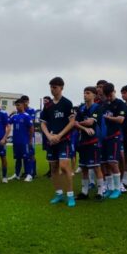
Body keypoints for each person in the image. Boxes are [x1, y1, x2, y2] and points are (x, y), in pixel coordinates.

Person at [40, 76, 76, 207]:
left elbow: (72, 122)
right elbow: (43, 123)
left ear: (61, 88)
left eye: (54, 87)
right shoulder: (48, 105)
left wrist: (59, 135)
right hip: (51, 141)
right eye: (51, 87)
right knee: (54, 168)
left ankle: (70, 195)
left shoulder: (67, 103)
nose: (52, 89)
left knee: (64, 166)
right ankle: (59, 194)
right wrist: (49, 136)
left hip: (63, 140)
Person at [75, 86, 105, 199]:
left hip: (94, 140)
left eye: (87, 93)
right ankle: (84, 192)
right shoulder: (81, 108)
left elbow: (90, 122)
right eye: (84, 93)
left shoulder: (97, 107)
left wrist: (80, 124)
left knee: (96, 166)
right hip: (83, 141)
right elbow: (75, 123)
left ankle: (100, 192)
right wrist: (84, 128)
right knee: (84, 168)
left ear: (94, 95)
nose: (85, 95)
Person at [99, 82, 125, 199]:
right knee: (105, 163)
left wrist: (108, 117)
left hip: (114, 136)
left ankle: (117, 188)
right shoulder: (104, 104)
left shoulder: (120, 103)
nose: (108, 98)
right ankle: (109, 187)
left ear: (113, 92)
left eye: (109, 95)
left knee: (113, 162)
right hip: (104, 137)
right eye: (106, 95)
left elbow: (120, 120)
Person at [9, 99, 34, 182]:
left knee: (27, 158)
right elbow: (8, 122)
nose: (17, 107)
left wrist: (30, 140)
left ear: (23, 105)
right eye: (16, 105)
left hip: (24, 141)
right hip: (16, 141)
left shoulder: (26, 116)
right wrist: (10, 114)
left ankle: (29, 175)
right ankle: (17, 174)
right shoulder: (15, 116)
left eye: (18, 105)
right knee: (18, 158)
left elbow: (31, 128)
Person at [21, 95, 38, 178]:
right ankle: (26, 171)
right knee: (25, 154)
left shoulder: (31, 110)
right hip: (23, 135)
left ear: (28, 101)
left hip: (30, 135)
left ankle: (33, 172)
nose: (24, 103)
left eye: (25, 101)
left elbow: (31, 122)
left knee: (31, 154)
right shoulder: (20, 111)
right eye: (23, 102)